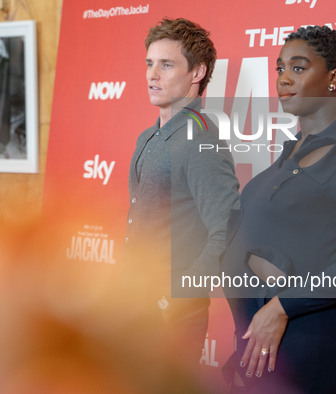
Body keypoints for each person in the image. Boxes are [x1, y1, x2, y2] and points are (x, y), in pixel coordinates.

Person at [221, 25, 336, 393]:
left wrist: (283, 306)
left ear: (334, 77)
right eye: (280, 69)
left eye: (298, 68)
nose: (284, 79)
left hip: (310, 330)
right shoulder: (292, 152)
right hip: (261, 325)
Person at [124, 18, 240, 366]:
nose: (152, 75)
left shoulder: (201, 139)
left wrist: (177, 296)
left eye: (166, 64)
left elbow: (229, 228)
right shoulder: (148, 137)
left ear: (197, 72)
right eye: (149, 63)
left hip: (170, 316)